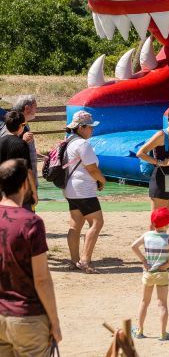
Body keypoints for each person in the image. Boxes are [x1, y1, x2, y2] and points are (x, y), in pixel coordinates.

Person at [0, 159, 60, 356]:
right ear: (25, 183)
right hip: (27, 316)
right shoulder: (31, 222)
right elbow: (41, 279)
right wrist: (55, 321)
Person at [63, 111, 106, 274]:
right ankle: (85, 261)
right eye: (90, 127)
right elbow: (92, 168)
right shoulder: (83, 144)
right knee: (97, 222)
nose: (92, 130)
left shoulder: (68, 141)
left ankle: (75, 261)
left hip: (70, 188)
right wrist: (102, 180)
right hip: (83, 190)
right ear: (81, 128)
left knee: (75, 225)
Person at [129, 207, 169, 341]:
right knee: (162, 303)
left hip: (148, 273)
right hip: (162, 273)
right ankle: (163, 334)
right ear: (168, 224)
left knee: (144, 302)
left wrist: (144, 260)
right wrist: (168, 264)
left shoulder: (147, 235)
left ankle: (139, 331)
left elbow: (133, 246)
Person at [136, 107, 169, 211]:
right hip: (160, 179)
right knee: (156, 220)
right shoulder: (161, 135)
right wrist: (159, 162)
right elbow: (140, 153)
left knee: (167, 219)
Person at [0, 111, 36, 207]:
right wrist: (34, 192)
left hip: (2, 188)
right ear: (20, 126)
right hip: (18, 189)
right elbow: (28, 171)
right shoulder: (21, 144)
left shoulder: (1, 141)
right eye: (24, 124)